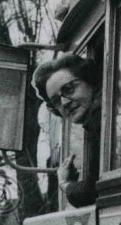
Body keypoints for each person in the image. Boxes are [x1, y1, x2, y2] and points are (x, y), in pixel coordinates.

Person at [32, 54, 102, 207]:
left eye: (69, 89)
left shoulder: (99, 119)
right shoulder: (102, 116)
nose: (64, 102)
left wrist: (64, 183)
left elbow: (93, 191)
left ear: (90, 81)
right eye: (56, 101)